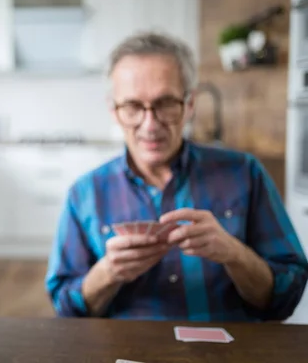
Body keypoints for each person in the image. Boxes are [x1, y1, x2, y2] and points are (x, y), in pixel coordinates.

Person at [45, 31, 308, 321]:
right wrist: (108, 272)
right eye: (133, 107)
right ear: (114, 111)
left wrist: (234, 254)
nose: (150, 124)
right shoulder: (85, 194)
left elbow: (288, 296)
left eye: (165, 103)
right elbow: (66, 308)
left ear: (190, 104)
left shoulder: (245, 174)